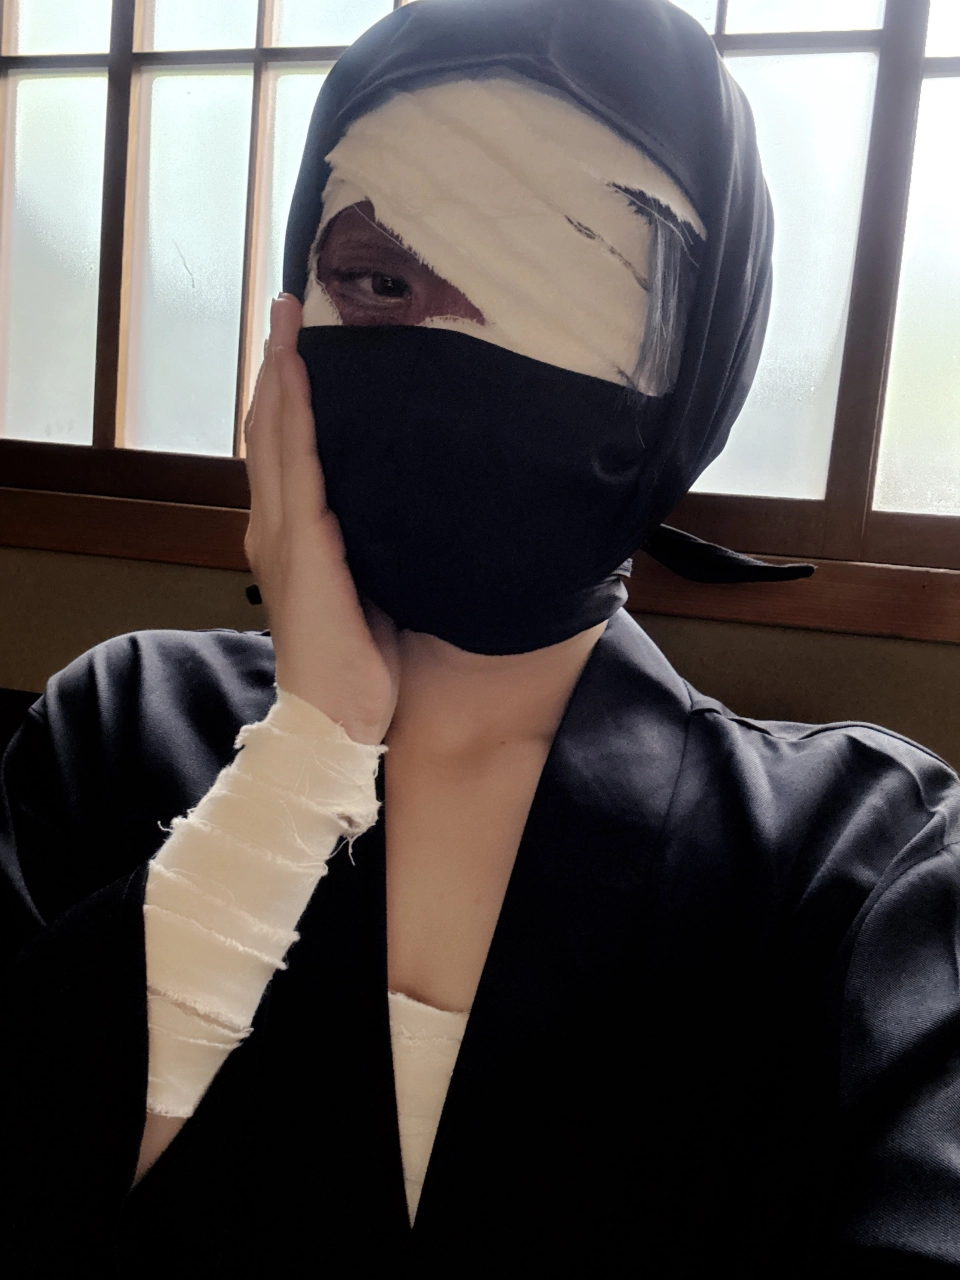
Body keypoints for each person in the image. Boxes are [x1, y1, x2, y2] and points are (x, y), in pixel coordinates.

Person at [2, 1, 960, 1275]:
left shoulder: (864, 858)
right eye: (377, 279)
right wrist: (304, 756)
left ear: (694, 373)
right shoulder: (118, 729)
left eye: (560, 277)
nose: (447, 345)